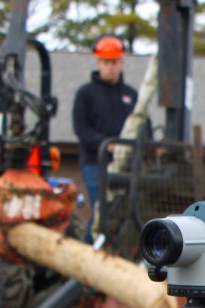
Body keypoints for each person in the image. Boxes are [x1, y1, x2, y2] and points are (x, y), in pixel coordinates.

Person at [72, 35, 137, 243]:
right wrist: (107, 145)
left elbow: (142, 124)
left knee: (126, 208)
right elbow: (81, 129)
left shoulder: (130, 95)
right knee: (103, 207)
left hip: (127, 165)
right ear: (99, 62)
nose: (110, 67)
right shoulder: (86, 94)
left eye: (114, 62)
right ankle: (89, 252)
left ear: (121, 62)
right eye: (106, 63)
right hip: (95, 163)